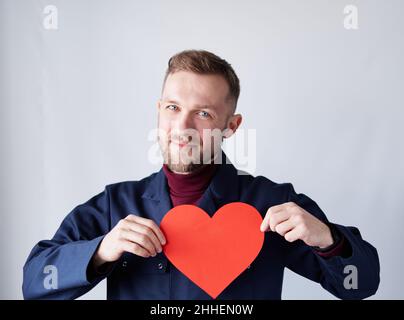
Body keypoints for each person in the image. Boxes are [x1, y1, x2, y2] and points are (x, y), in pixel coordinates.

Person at [23, 50, 380, 300]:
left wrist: (328, 239)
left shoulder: (273, 205)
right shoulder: (115, 206)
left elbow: (360, 285)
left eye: (204, 114)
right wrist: (101, 250)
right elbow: (35, 283)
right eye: (173, 108)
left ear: (232, 125)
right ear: (159, 110)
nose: (183, 126)